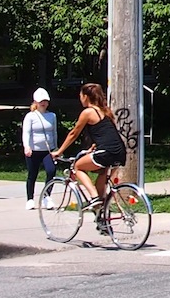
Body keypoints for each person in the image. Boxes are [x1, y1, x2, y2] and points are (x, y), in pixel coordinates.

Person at [52, 81, 129, 213]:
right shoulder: (105, 111)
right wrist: (94, 146)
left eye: (80, 96)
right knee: (103, 173)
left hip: (106, 152)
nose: (80, 98)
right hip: (120, 152)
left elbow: (73, 134)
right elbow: (106, 133)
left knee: (77, 166)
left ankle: (93, 197)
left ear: (86, 97)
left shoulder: (88, 112)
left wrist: (59, 151)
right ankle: (102, 214)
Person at [22, 87, 59, 208]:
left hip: (48, 150)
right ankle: (30, 199)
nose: (43, 103)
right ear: (35, 102)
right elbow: (26, 133)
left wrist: (56, 148)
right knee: (32, 174)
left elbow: (54, 132)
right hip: (34, 151)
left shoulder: (52, 116)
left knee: (51, 171)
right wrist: (27, 146)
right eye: (40, 101)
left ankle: (46, 197)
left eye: (45, 101)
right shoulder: (30, 116)